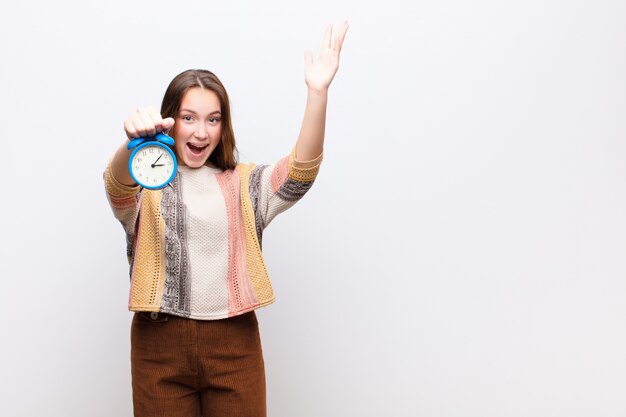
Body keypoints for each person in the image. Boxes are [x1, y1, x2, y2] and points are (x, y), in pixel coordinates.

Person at [103, 22, 349, 417]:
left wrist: (317, 93)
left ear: (223, 125)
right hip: (158, 344)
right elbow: (116, 183)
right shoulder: (145, 184)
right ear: (170, 121)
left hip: (234, 343)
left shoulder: (243, 184)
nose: (201, 132)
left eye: (213, 119)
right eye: (189, 117)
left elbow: (300, 173)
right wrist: (133, 143)